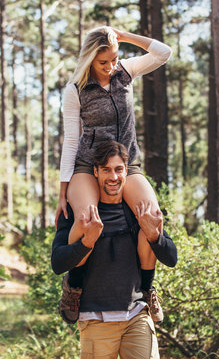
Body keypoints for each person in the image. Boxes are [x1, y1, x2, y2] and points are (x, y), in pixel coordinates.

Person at [55, 26, 172, 320]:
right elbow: (70, 142)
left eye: (114, 60)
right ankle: (74, 287)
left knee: (151, 214)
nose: (110, 68)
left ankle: (146, 290)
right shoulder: (75, 90)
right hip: (87, 165)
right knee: (86, 217)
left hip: (126, 164)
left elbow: (163, 53)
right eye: (102, 62)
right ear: (89, 60)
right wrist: (62, 194)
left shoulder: (126, 72)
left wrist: (125, 37)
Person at [52, 141, 177, 358]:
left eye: (119, 169)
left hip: (136, 316)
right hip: (95, 319)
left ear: (126, 171)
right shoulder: (81, 213)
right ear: (96, 172)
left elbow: (171, 258)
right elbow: (58, 263)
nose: (113, 177)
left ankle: (147, 292)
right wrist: (86, 242)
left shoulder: (137, 210)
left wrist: (154, 236)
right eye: (106, 170)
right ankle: (72, 290)